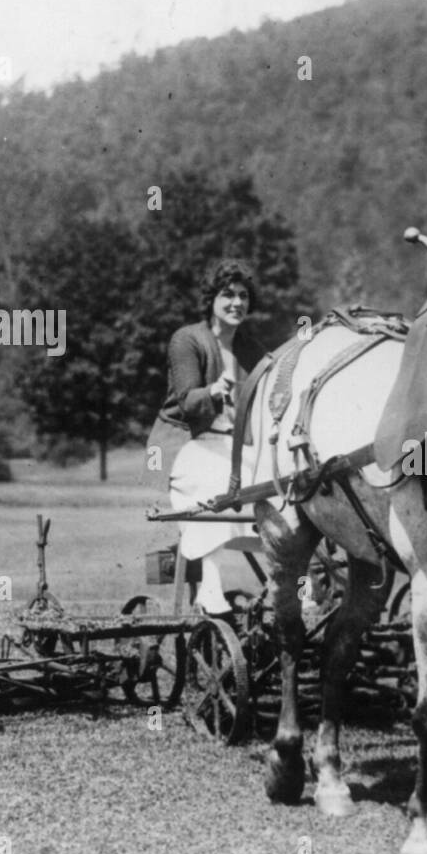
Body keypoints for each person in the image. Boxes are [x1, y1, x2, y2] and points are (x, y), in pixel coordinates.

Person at [147, 257, 259, 616]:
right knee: (213, 483)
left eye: (243, 295)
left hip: (234, 445)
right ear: (211, 299)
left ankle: (292, 586)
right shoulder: (188, 340)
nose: (237, 303)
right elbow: (186, 400)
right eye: (228, 295)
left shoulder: (249, 346)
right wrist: (214, 389)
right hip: (186, 443)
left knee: (281, 485)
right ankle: (210, 591)